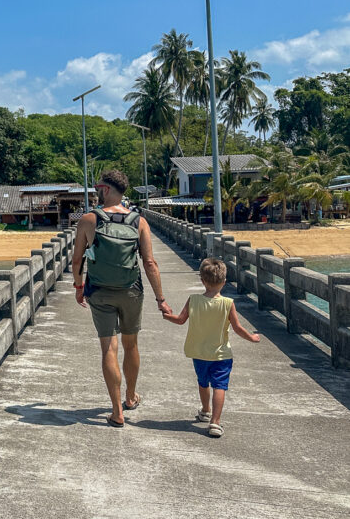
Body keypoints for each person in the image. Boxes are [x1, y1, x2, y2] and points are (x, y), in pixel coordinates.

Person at [72, 170, 169, 427]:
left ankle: (117, 412)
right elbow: (149, 262)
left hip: (100, 291)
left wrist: (79, 287)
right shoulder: (139, 222)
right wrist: (161, 299)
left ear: (105, 189)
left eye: (96, 188)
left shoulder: (88, 220)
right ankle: (130, 397)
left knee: (108, 348)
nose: (95, 192)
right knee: (131, 345)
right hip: (131, 291)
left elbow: (77, 260)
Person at [161, 258, 260, 438]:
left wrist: (167, 316)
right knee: (220, 386)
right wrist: (252, 337)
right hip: (221, 354)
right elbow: (238, 328)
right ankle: (215, 422)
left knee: (202, 382)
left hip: (199, 353)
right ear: (223, 282)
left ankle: (205, 410)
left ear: (202, 281)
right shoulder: (228, 303)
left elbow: (180, 320)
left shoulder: (194, 300)